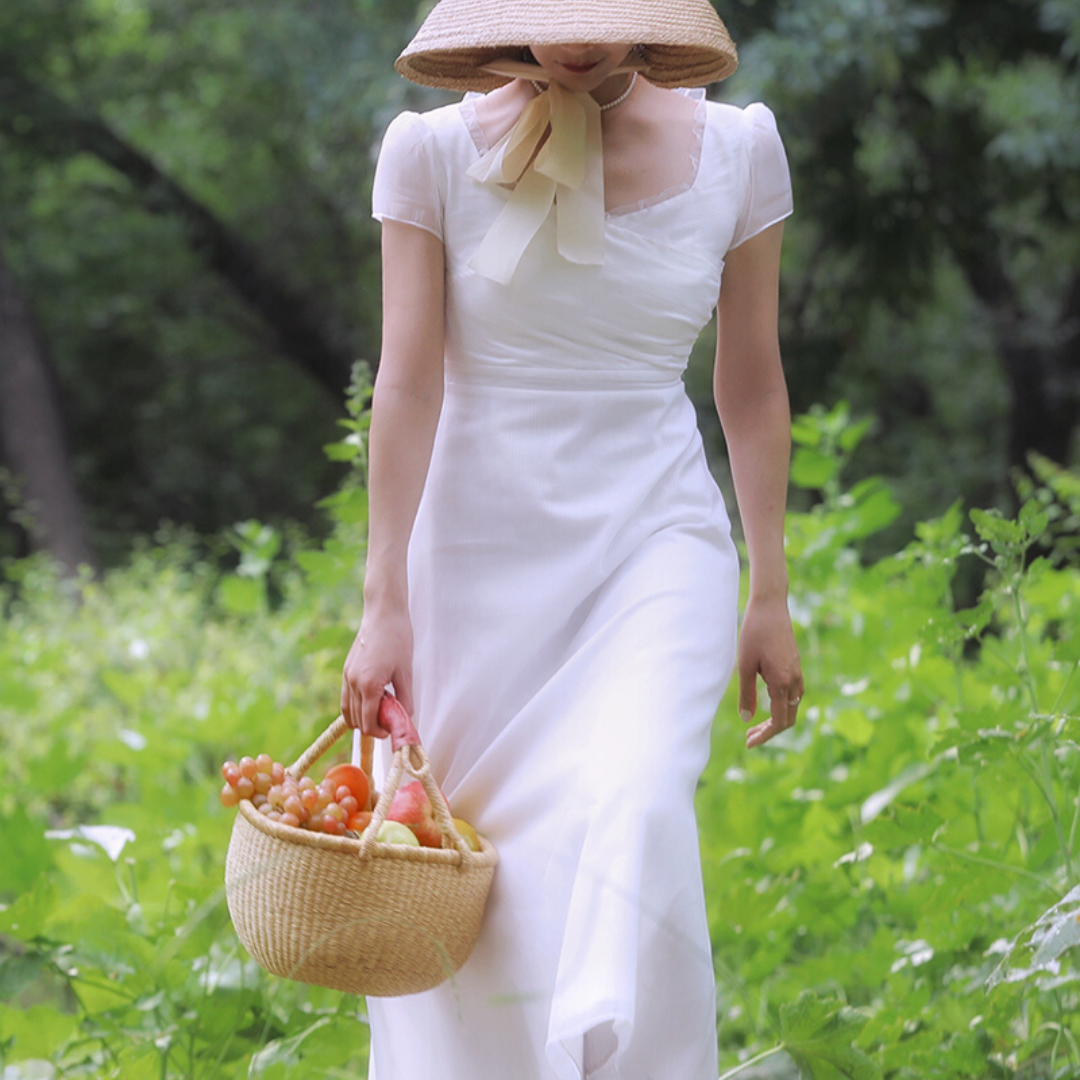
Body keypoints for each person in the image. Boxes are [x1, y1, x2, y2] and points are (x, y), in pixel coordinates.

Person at [340, 0, 804, 1075]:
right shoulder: (428, 155)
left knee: (636, 801)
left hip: (655, 536)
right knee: (482, 873)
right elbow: (405, 387)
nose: (578, 35)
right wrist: (382, 601)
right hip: (471, 554)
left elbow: (751, 382)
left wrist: (769, 591)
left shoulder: (740, 149)